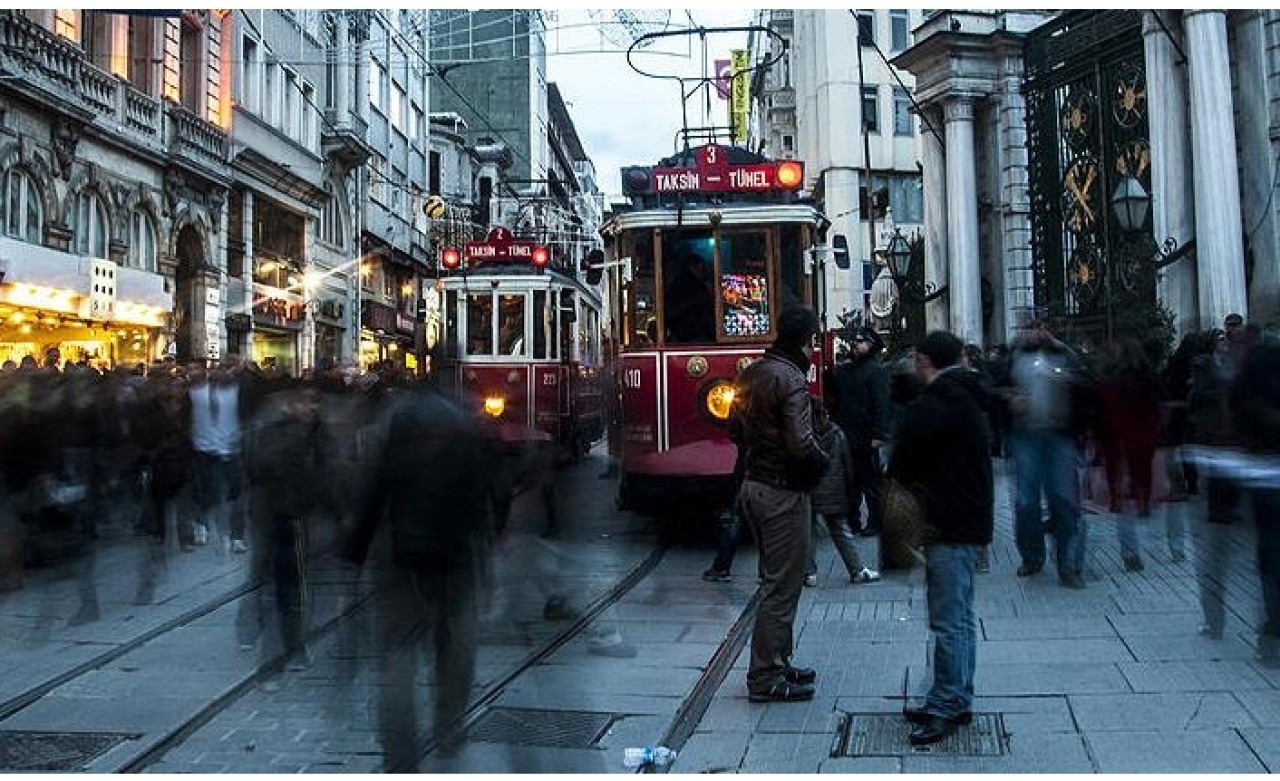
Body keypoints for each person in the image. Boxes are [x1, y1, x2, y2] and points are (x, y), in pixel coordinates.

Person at [345, 384, 499, 768]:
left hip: (400, 560)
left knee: (397, 657)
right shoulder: (466, 430)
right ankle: (449, 728)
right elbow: (490, 497)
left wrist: (354, 558)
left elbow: (373, 494)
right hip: (456, 560)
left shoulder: (396, 426)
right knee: (456, 652)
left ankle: (399, 753)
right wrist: (486, 558)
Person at [888, 331, 993, 746]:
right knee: (961, 615)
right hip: (967, 519)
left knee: (948, 618)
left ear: (923, 359)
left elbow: (903, 463)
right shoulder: (967, 394)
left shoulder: (936, 404)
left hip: (947, 521)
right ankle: (955, 695)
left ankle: (947, 702)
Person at [730, 307, 828, 703]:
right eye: (814, 339)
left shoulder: (754, 371)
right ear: (805, 340)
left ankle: (779, 660)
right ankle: (766, 675)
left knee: (778, 579)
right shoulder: (791, 379)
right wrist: (823, 464)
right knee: (782, 586)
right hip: (783, 490)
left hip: (754, 483)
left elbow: (733, 429)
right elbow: (801, 443)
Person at [1000, 320, 1089, 589]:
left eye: (1040, 329)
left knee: (1064, 500)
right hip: (1026, 435)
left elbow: (1087, 381)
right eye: (1030, 328)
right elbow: (995, 385)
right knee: (1026, 501)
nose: (1035, 334)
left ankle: (1068, 563)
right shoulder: (1014, 356)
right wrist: (1009, 398)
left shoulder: (1064, 354)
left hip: (1060, 436)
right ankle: (1032, 556)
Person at [1228, 335, 1280, 667]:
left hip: (1262, 474)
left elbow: (1237, 421)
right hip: (1264, 473)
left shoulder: (1246, 387)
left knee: (1270, 551)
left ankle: (1273, 628)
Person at [805, 397, 879, 586]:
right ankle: (857, 570)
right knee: (841, 531)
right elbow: (848, 465)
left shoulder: (803, 436)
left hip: (808, 489)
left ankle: (808, 573)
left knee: (808, 532)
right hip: (834, 491)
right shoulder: (836, 433)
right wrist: (851, 492)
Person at [831, 327, 891, 541]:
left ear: (871, 345)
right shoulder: (845, 371)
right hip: (847, 434)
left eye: (861, 342)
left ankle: (874, 522)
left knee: (870, 483)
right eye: (855, 341)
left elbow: (881, 405)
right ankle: (853, 520)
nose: (856, 345)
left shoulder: (876, 371)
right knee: (850, 483)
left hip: (866, 437)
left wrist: (878, 434)